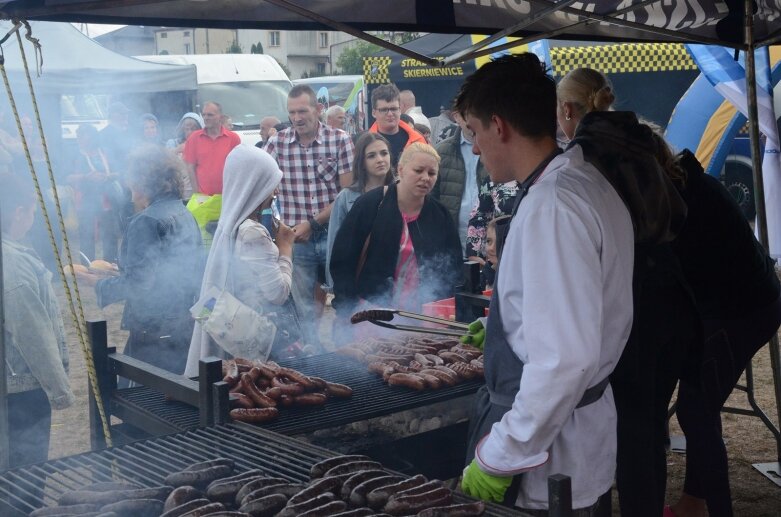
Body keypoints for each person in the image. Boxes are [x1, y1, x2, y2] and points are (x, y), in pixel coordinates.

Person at [455, 55, 634, 515]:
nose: (474, 148)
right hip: (579, 439)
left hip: (555, 459)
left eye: (474, 132)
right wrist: (507, 325)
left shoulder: (553, 207)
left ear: (499, 126)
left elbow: (565, 359)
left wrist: (501, 455)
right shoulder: (580, 178)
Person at [557, 67, 696, 517]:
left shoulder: (584, 154)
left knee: (631, 429)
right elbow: (678, 212)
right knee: (650, 424)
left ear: (566, 110)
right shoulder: (642, 141)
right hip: (673, 297)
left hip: (634, 301)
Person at [665, 148, 781, 517]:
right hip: (743, 303)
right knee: (698, 403)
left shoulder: (679, 201)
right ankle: (694, 503)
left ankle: (711, 510)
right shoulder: (688, 183)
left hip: (742, 310)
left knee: (694, 408)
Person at [77, 145, 204, 381]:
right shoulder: (183, 211)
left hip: (153, 333)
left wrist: (96, 283)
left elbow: (139, 284)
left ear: (143, 180)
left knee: (147, 403)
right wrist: (120, 271)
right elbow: (172, 268)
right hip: (182, 325)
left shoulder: (145, 220)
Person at [186, 145, 299, 375]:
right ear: (255, 185)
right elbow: (277, 293)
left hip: (232, 338)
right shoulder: (253, 232)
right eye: (270, 184)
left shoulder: (229, 226)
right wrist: (286, 248)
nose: (275, 192)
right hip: (256, 345)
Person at [330, 142, 462, 326]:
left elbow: (452, 268)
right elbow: (343, 259)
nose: (425, 178)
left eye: (431, 173)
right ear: (401, 169)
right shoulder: (371, 204)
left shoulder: (439, 215)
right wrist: (346, 307)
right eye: (418, 171)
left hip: (422, 315)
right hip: (370, 311)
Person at [264, 84, 354, 348]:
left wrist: (313, 223)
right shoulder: (277, 143)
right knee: (303, 305)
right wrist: (279, 226)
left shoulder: (340, 139)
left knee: (344, 296)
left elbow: (347, 193)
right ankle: (314, 355)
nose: (297, 118)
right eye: (292, 112)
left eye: (302, 111)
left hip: (335, 233)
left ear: (318, 109)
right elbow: (261, 186)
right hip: (297, 238)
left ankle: (346, 350)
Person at [1, 173, 75, 483]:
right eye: (31, 211)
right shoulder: (13, 264)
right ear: (19, 212)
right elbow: (32, 333)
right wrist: (59, 392)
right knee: (26, 475)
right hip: (22, 387)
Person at [325, 132, 394, 300]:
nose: (380, 159)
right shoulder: (346, 197)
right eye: (371, 156)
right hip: (357, 279)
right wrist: (335, 286)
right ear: (362, 162)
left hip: (394, 280)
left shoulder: (401, 192)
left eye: (384, 153)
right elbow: (334, 244)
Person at [433, 112, 490, 255]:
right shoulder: (441, 152)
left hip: (489, 240)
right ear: (456, 117)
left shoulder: (495, 149)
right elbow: (432, 198)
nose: (471, 121)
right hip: (452, 238)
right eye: (466, 116)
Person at [67, 123, 121, 262]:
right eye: (78, 136)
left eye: (83, 136)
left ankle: (110, 263)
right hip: (85, 200)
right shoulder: (74, 154)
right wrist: (86, 177)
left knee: (109, 234)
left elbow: (118, 172)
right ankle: (87, 265)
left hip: (107, 199)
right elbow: (66, 177)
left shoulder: (105, 152)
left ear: (93, 137)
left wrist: (106, 176)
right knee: (86, 234)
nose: (79, 139)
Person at [183, 101, 241, 195]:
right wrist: (197, 193)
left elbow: (238, 168)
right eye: (204, 115)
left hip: (228, 195)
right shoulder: (194, 138)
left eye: (210, 115)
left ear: (220, 117)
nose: (206, 118)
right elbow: (190, 167)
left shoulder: (233, 138)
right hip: (203, 198)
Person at [369, 83, 426, 167]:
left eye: (393, 109)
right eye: (384, 110)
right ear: (374, 113)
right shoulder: (365, 143)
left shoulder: (418, 140)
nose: (390, 114)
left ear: (400, 110)